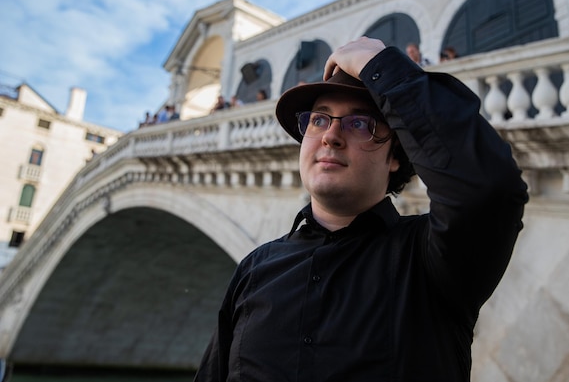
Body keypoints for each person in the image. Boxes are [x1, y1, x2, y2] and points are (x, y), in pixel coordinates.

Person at [194, 37, 528, 381]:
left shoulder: (431, 262)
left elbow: (489, 189)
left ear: (395, 156)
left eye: (359, 124)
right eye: (319, 120)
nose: (330, 136)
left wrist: (383, 66)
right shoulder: (255, 269)